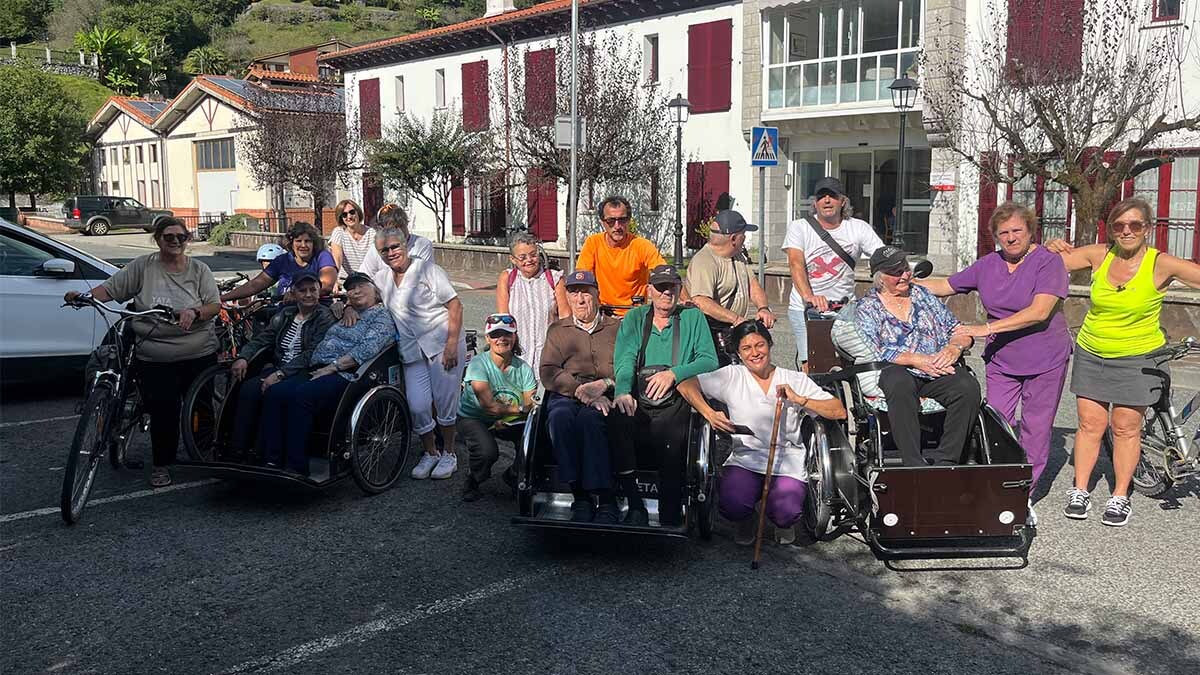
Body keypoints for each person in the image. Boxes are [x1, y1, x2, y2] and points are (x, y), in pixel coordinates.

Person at [1046, 197, 1200, 527]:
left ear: (1147, 228)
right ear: (1111, 229)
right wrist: (1047, 247)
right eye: (1119, 225)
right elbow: (1042, 265)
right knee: (1089, 425)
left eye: (1135, 225)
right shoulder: (1099, 255)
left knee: (1126, 427)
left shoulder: (1162, 264)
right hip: (1093, 351)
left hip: (1138, 357)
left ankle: (1119, 495)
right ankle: (1080, 489)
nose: (1126, 231)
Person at [920, 202, 1071, 494]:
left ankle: (1021, 493)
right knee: (996, 421)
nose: (1011, 237)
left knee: (1035, 428)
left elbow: (1039, 312)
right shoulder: (988, 264)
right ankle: (994, 483)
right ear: (996, 236)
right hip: (1003, 357)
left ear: (1030, 232)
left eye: (1017, 230)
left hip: (1045, 356)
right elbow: (946, 285)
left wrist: (986, 328)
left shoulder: (1048, 262)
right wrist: (903, 282)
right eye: (1004, 232)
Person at [64, 218, 219, 487]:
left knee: (201, 408)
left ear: (187, 239)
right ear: (158, 239)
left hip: (198, 350)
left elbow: (214, 305)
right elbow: (112, 288)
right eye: (168, 237)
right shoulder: (144, 267)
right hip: (155, 353)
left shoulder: (199, 270)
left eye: (180, 237)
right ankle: (162, 464)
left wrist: (194, 312)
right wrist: (86, 297)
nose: (175, 242)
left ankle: (204, 452)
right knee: (164, 410)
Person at [678, 321, 846, 544]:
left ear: (770, 344)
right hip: (745, 458)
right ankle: (747, 519)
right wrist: (709, 413)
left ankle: (781, 522)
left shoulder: (794, 379)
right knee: (732, 505)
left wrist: (799, 399)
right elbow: (686, 385)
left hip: (787, 460)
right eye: (746, 348)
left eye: (760, 345)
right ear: (738, 352)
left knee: (786, 512)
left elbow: (839, 411)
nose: (755, 353)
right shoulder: (732, 376)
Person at [609, 264, 719, 526]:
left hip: (676, 396)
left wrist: (675, 373)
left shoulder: (693, 318)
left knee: (672, 438)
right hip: (640, 393)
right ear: (650, 291)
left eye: (671, 287)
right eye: (660, 288)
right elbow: (625, 359)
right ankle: (634, 503)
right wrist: (623, 391)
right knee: (616, 421)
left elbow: (709, 360)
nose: (666, 293)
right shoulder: (636, 318)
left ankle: (670, 510)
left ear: (680, 290)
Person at [256, 272, 396, 475]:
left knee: (302, 396)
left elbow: (366, 349)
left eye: (361, 286)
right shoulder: (345, 311)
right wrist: (345, 307)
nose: (356, 291)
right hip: (318, 367)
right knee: (275, 392)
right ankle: (272, 459)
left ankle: (296, 466)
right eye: (351, 288)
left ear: (376, 291)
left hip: (347, 374)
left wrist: (332, 368)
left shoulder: (381, 317)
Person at [854, 246, 980, 467]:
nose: (905, 275)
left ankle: (946, 461)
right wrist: (918, 360)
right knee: (898, 382)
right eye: (896, 271)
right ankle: (914, 463)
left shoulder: (922, 295)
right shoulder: (868, 307)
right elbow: (877, 349)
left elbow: (958, 330)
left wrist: (954, 349)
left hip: (937, 366)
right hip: (898, 368)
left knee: (967, 386)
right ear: (880, 278)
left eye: (905, 268)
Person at [373, 228, 466, 481]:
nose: (391, 253)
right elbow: (360, 292)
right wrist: (346, 305)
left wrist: (451, 343)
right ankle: (430, 452)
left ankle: (449, 453)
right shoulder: (382, 279)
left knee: (446, 401)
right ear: (379, 254)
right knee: (417, 404)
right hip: (412, 350)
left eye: (395, 246)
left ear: (405, 245)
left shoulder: (427, 270)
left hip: (442, 342)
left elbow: (455, 305)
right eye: (385, 250)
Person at [540, 270, 624, 523]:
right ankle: (580, 497)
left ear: (597, 295)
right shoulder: (558, 330)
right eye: (574, 293)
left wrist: (605, 385)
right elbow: (548, 371)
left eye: (585, 292)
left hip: (607, 392)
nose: (580, 299)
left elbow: (629, 366)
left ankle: (606, 498)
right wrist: (580, 390)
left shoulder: (617, 328)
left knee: (591, 421)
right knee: (559, 418)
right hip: (567, 392)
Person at [227, 271, 337, 459]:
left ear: (319, 292)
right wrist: (243, 357)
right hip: (281, 367)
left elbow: (312, 353)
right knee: (247, 389)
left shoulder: (324, 317)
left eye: (313, 290)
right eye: (303, 291)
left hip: (305, 370)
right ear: (293, 293)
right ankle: (238, 449)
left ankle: (267, 453)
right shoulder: (285, 314)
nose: (309, 295)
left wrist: (280, 374)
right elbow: (263, 339)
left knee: (274, 392)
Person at [783, 177, 884, 370]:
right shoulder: (800, 227)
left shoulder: (858, 227)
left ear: (843, 201)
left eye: (833, 196)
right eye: (821, 197)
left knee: (856, 360)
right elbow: (796, 264)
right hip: (807, 308)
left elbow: (881, 257)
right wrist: (809, 296)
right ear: (815, 203)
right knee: (812, 366)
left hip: (846, 308)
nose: (827, 201)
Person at [458, 313, 538, 502]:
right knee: (487, 451)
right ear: (487, 338)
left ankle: (514, 475)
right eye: (495, 335)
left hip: (509, 419)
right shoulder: (478, 364)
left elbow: (531, 404)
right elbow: (490, 407)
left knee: (534, 441)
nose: (501, 339)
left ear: (514, 336)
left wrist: (512, 418)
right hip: (473, 417)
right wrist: (518, 411)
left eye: (507, 334)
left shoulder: (524, 369)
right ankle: (474, 480)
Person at [685, 209, 776, 362]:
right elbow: (702, 301)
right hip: (712, 334)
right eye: (743, 235)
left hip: (733, 330)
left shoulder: (738, 256)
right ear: (733, 238)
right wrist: (736, 319)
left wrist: (763, 308)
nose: (745, 238)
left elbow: (752, 284)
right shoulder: (705, 261)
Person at [495, 233, 569, 382]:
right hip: (517, 359)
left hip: (548, 358)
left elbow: (565, 317)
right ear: (513, 260)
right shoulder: (507, 278)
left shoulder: (554, 278)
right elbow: (504, 320)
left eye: (533, 255)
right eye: (522, 257)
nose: (529, 260)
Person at [575, 195, 666, 314]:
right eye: (611, 221)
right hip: (603, 312)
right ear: (603, 222)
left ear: (629, 220)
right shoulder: (593, 243)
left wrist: (686, 301)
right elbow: (582, 278)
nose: (617, 226)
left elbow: (665, 274)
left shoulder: (641, 245)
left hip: (634, 313)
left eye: (622, 220)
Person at [221, 222, 337, 302]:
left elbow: (326, 285)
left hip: (317, 309)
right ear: (291, 243)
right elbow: (255, 285)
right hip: (286, 311)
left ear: (314, 243)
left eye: (308, 241)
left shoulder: (322, 257)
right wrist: (222, 298)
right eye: (298, 241)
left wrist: (298, 295)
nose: (303, 245)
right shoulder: (282, 261)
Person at [360, 203, 435, 277]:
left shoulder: (422, 244)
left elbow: (423, 276)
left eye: (401, 226)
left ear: (406, 223)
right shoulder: (376, 249)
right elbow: (364, 276)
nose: (400, 231)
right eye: (394, 228)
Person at [327, 199, 375, 279]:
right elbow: (337, 259)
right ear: (341, 218)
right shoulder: (338, 232)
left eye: (352, 212)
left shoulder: (371, 233)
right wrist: (334, 279)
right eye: (344, 215)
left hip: (367, 280)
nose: (349, 217)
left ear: (358, 212)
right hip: (345, 281)